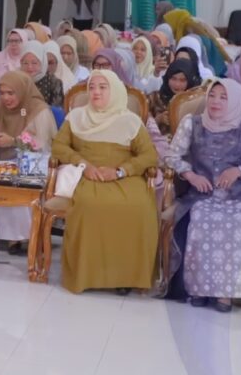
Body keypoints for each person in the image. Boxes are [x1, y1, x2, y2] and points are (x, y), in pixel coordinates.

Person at [163, 77, 241, 311]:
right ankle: (199, 289)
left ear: (235, 102)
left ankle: (226, 294)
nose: (215, 101)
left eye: (224, 97)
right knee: (200, 216)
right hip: (201, 195)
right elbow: (171, 156)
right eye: (212, 96)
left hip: (240, 196)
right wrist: (190, 175)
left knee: (237, 220)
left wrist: (239, 170)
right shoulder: (192, 123)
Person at [50, 70, 161, 294]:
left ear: (115, 91)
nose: (96, 92)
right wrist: (84, 165)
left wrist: (120, 171)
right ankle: (87, 275)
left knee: (138, 206)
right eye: (92, 87)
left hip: (123, 176)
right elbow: (59, 147)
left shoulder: (130, 121)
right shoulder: (76, 117)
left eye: (102, 87)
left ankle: (126, 278)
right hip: (88, 174)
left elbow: (149, 156)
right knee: (88, 205)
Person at [0, 70, 57, 250]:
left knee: (18, 186)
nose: (6, 98)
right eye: (2, 93)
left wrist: (13, 141)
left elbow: (41, 144)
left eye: (11, 93)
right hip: (3, 158)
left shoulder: (36, 109)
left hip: (32, 162)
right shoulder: (0, 106)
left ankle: (22, 237)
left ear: (22, 91)